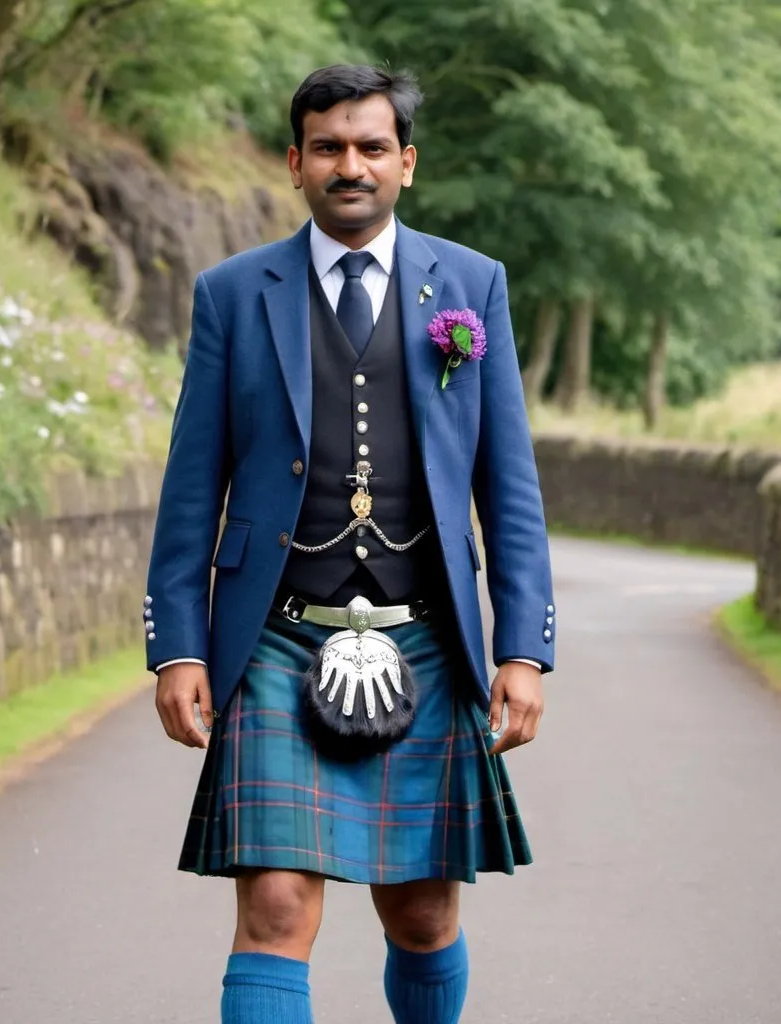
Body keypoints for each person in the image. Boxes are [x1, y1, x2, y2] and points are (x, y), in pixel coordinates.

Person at [144, 64, 555, 1024]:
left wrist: (524, 649)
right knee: (276, 903)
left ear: (406, 163)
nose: (351, 165)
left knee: (420, 912)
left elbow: (511, 486)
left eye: (372, 147)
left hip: (426, 634)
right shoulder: (234, 294)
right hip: (281, 634)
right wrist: (180, 645)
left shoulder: (472, 285)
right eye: (327, 146)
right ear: (295, 163)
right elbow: (190, 487)